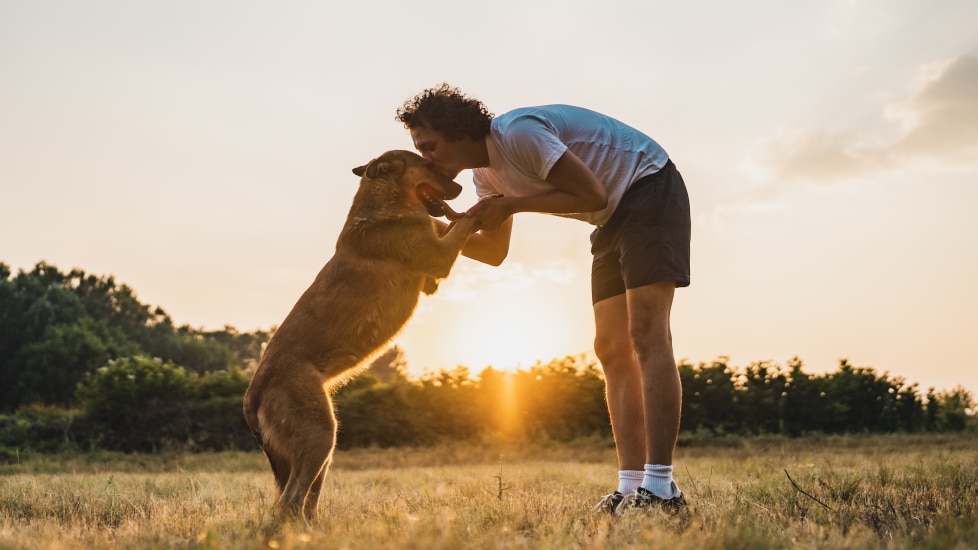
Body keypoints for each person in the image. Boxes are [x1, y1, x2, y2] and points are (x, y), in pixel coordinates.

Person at [395, 84, 691, 514]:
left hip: (648, 187)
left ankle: (662, 489)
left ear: (457, 131)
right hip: (611, 219)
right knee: (610, 348)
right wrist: (430, 232)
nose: (426, 158)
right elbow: (494, 252)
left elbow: (592, 194)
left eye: (429, 146)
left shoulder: (518, 133)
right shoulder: (485, 176)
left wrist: (512, 205)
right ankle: (631, 488)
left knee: (646, 333)